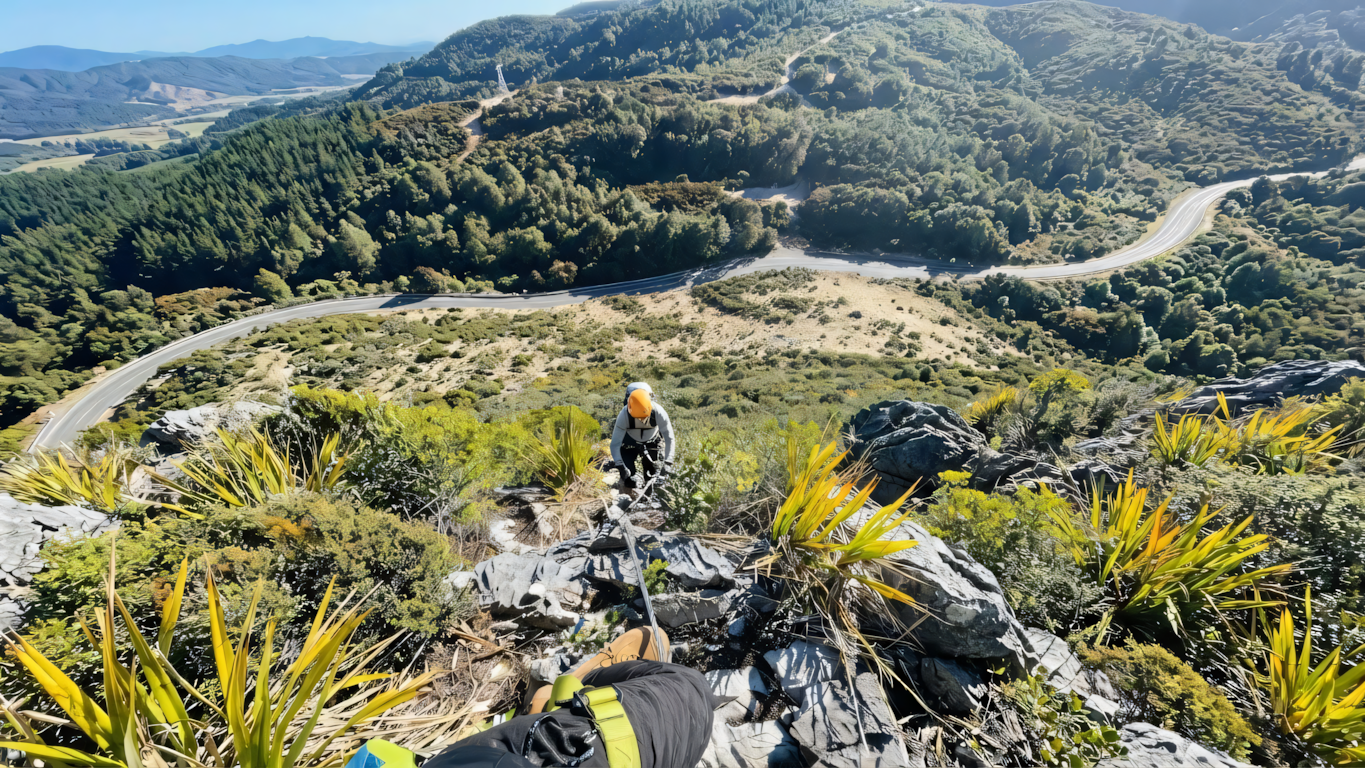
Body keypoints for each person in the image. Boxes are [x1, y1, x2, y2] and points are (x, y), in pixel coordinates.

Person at [421, 657, 714, 768]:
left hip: (677, 753)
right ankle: (584, 680)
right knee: (562, 689)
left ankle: (575, 688)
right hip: (679, 692)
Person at [609, 383, 675, 490]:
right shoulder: (624, 415)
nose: (641, 421)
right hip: (629, 442)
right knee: (628, 476)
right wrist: (620, 465)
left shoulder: (658, 412)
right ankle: (628, 496)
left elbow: (669, 438)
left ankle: (648, 494)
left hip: (652, 441)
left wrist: (668, 462)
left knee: (651, 474)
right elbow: (615, 443)